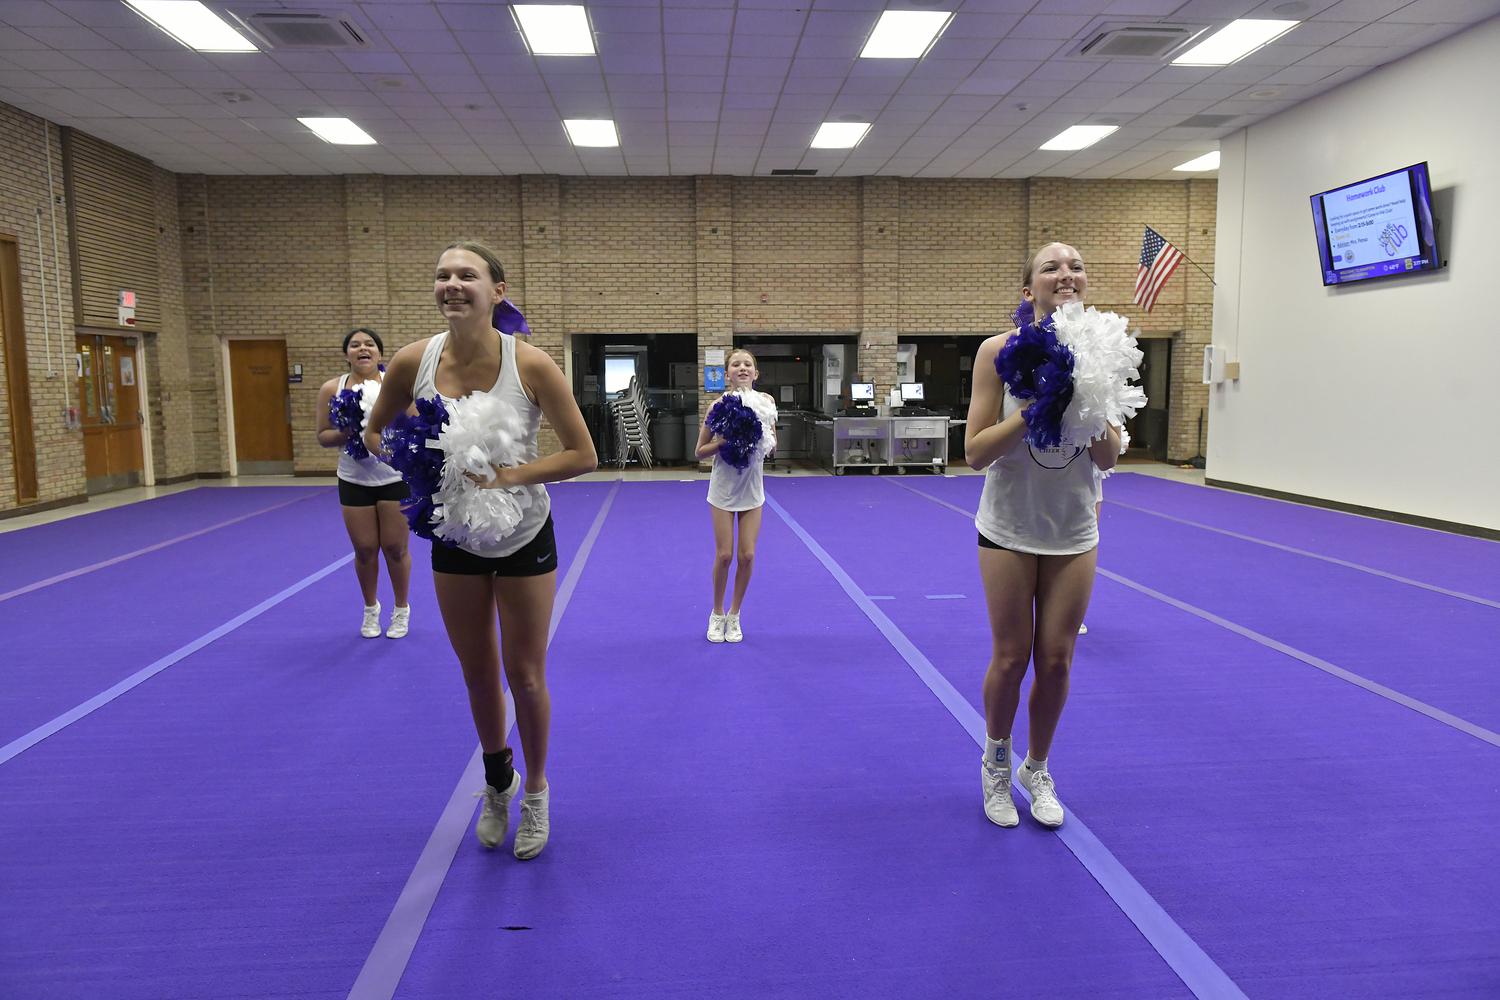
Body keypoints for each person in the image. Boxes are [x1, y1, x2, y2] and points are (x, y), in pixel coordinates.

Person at [364, 241, 597, 860]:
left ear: (498, 291)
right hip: (453, 535)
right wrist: (415, 464)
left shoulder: (534, 365)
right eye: (442, 275)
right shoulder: (413, 360)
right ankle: (499, 782)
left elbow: (583, 454)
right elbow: (374, 430)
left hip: (522, 533)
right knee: (476, 672)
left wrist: (506, 477)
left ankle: (537, 791)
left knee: (524, 673)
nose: (452, 284)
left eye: (467, 275)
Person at [964, 242, 1120, 830]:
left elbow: (1108, 454)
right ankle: (997, 764)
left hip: (1075, 527)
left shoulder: (1101, 350)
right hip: (1008, 523)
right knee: (1012, 657)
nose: (1067, 273)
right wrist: (1035, 407)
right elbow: (976, 452)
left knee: (1056, 659)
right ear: (1028, 289)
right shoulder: (996, 351)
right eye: (1050, 267)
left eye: (1077, 264)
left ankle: (1038, 766)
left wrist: (1090, 398)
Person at [314, 328, 413, 639]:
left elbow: (414, 426)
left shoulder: (395, 385)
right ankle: (371, 609)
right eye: (355, 345)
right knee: (365, 549)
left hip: (394, 477)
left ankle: (401, 610)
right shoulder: (332, 388)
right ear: (346, 354)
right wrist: (351, 429)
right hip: (354, 478)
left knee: (395, 548)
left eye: (369, 344)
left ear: (380, 353)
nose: (362, 349)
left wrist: (385, 434)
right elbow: (323, 436)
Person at [695, 348, 776, 644]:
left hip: (753, 489)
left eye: (748, 364)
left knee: (748, 554)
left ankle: (735, 613)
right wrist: (727, 442)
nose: (742, 368)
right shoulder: (718, 405)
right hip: (723, 490)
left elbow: (772, 441)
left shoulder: (767, 403)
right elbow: (700, 451)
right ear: (727, 374)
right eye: (735, 364)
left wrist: (761, 440)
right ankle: (716, 614)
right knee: (725, 555)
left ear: (755, 373)